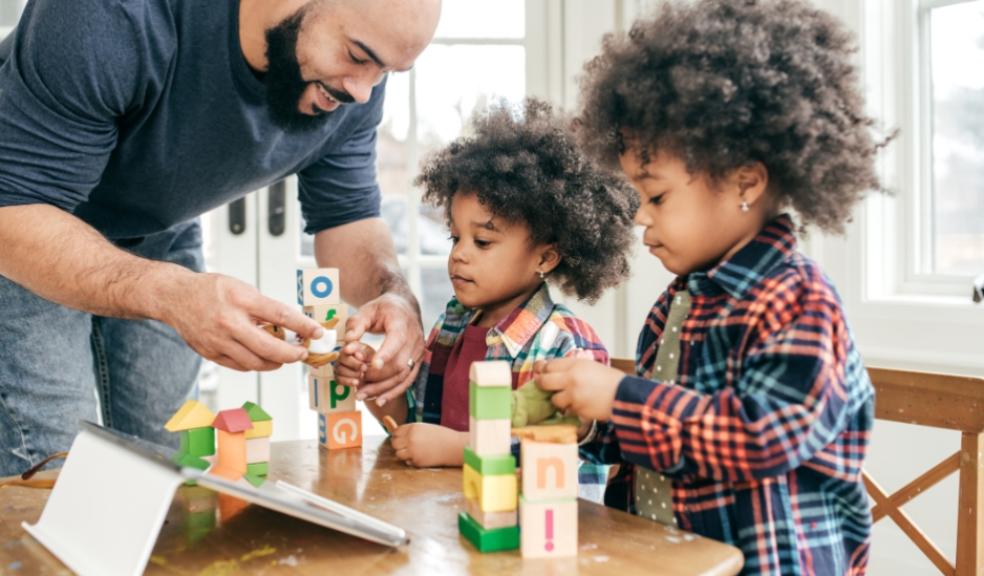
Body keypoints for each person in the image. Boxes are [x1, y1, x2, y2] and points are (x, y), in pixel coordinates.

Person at [0, 0, 441, 476]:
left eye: (387, 71)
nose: (362, 91)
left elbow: (348, 219)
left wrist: (391, 294)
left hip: (157, 228)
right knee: (54, 471)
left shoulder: (354, 87)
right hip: (25, 226)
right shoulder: (111, 14)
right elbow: (12, 207)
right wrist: (170, 292)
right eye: (357, 56)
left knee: (170, 461)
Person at [536, 1, 887, 573]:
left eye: (657, 196)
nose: (640, 219)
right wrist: (591, 421)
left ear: (744, 181)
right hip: (662, 559)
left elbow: (763, 438)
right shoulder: (678, 302)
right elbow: (662, 434)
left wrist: (621, 397)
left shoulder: (797, 299)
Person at [336, 99, 638, 477]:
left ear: (545, 259)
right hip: (451, 517)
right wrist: (379, 384)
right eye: (454, 237)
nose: (459, 255)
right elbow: (417, 426)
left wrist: (457, 448)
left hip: (537, 528)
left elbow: (557, 446)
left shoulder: (563, 344)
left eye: (482, 242)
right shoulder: (452, 327)